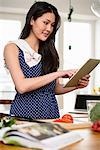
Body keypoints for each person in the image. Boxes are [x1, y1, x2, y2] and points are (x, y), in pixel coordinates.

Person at [4, 1, 90, 119]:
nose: (49, 29)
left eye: (52, 25)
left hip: (51, 115)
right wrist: (58, 74)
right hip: (24, 116)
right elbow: (21, 86)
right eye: (45, 23)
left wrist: (76, 85)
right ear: (32, 20)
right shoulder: (13, 47)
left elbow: (53, 89)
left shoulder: (49, 52)